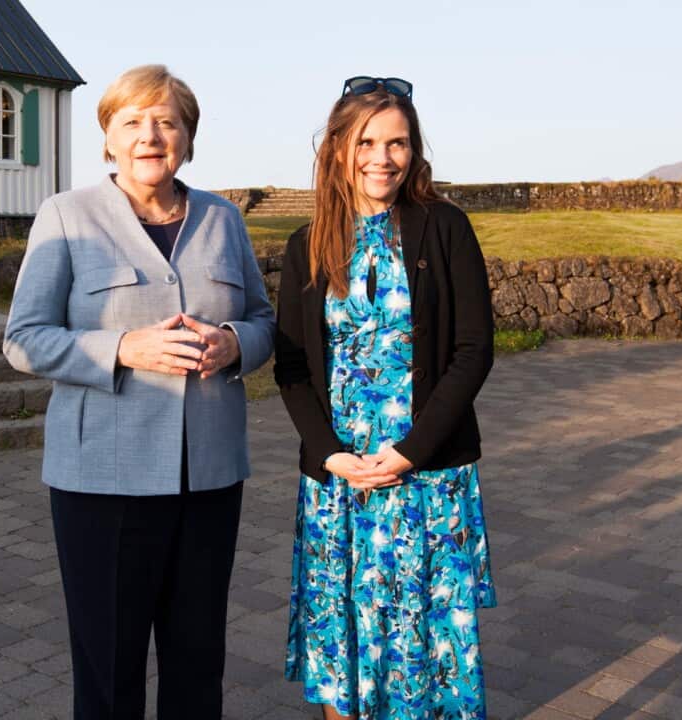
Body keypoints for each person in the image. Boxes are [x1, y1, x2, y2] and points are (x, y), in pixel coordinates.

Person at [2, 64, 275, 720]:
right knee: (109, 666)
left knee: (197, 659)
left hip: (209, 477)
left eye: (167, 122)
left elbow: (266, 321)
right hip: (103, 480)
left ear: (187, 137)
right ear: (109, 138)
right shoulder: (66, 216)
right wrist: (121, 348)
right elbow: (24, 339)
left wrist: (236, 343)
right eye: (132, 122)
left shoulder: (223, 219)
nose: (150, 135)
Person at [275, 76, 498, 720]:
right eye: (367, 141)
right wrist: (330, 454)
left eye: (397, 142)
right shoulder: (307, 245)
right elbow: (291, 367)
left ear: (414, 149)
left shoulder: (445, 228)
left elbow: (472, 352)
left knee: (426, 652)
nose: (383, 157)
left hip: (424, 474)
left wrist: (408, 452)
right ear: (339, 148)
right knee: (342, 644)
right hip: (342, 481)